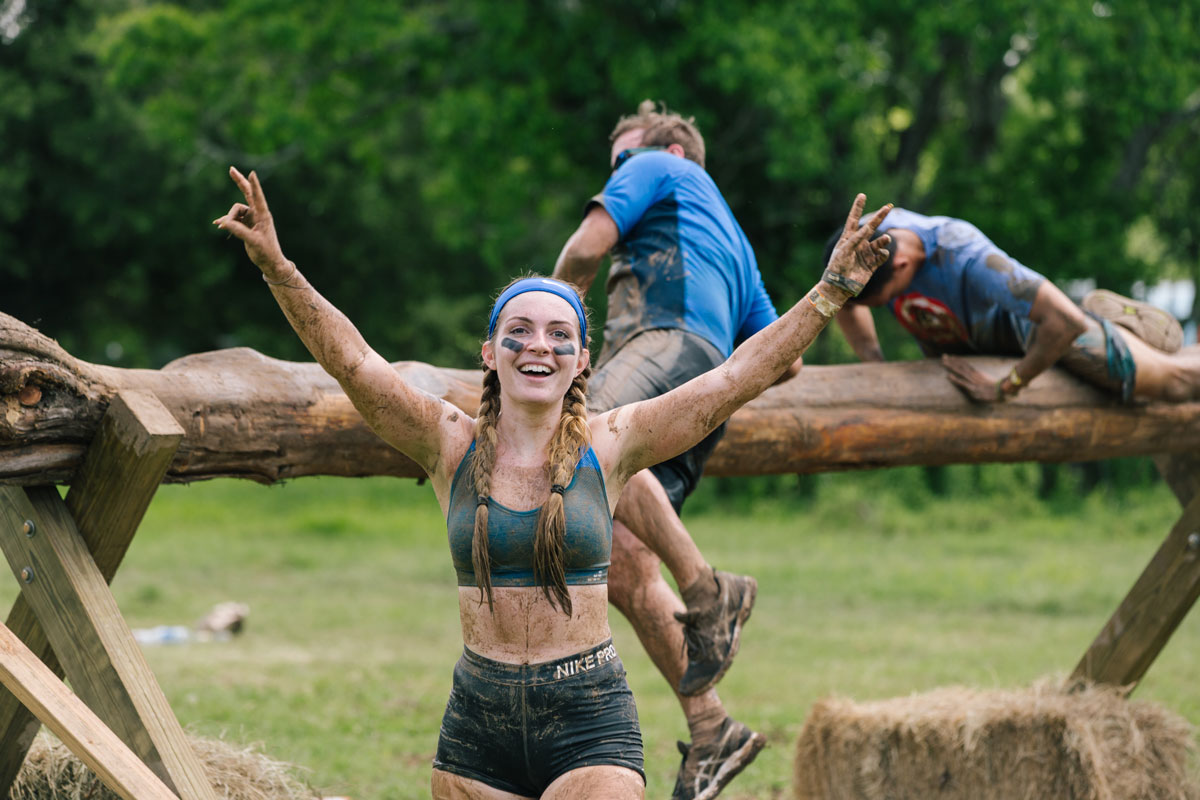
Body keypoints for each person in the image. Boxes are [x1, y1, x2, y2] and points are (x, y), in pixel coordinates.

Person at [214, 165, 892, 798]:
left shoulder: (613, 442)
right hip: (476, 727)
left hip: (589, 718)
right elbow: (354, 363)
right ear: (489, 354)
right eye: (520, 331)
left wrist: (831, 291)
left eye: (559, 335)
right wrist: (278, 267)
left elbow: (734, 378)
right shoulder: (447, 442)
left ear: (582, 361)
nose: (539, 345)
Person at [552, 101, 802, 799]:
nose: (620, 176)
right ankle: (713, 726)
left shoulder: (657, 165)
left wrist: (550, 323)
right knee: (625, 561)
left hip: (662, 342)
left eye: (624, 161)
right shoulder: (737, 247)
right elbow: (786, 361)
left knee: (581, 437)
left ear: (673, 154)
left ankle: (708, 590)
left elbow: (582, 249)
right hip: (707, 382)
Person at [826, 207, 1200, 404]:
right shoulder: (866, 243)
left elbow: (1063, 321)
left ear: (903, 266)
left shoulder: (966, 256)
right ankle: (1123, 330)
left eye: (885, 300)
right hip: (982, 341)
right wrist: (874, 366)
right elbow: (844, 300)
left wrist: (1007, 387)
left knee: (1175, 384)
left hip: (1042, 334)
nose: (883, 307)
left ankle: (1117, 329)